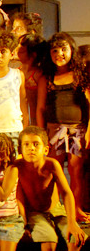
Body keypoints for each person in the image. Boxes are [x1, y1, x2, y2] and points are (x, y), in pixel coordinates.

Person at [17, 126, 87, 251]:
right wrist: (23, 222)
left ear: (46, 149)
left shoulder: (52, 165)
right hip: (35, 213)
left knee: (76, 240)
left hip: (56, 210)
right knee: (49, 245)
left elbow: (66, 193)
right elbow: (19, 198)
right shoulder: (18, 167)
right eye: (26, 144)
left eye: (36, 144)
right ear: (20, 149)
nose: (31, 149)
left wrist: (72, 222)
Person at [36, 32, 90, 223]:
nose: (59, 53)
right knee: (53, 170)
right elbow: (40, 108)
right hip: (54, 130)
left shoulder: (80, 74)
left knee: (76, 171)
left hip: (77, 129)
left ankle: (75, 209)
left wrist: (89, 131)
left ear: (72, 50)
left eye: (64, 49)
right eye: (55, 50)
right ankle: (55, 208)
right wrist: (42, 135)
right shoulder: (47, 78)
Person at [15, 33, 46, 125]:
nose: (18, 49)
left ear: (33, 54)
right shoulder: (15, 72)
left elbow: (41, 107)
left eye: (22, 49)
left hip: (34, 119)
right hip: (17, 120)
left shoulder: (39, 75)